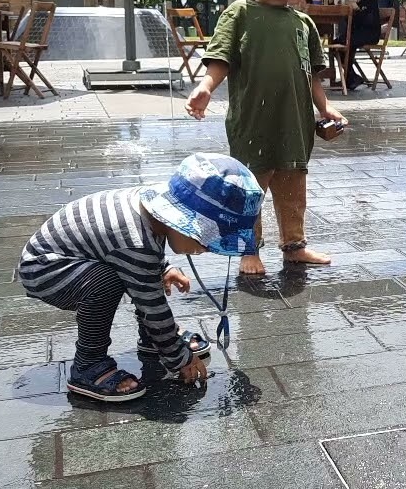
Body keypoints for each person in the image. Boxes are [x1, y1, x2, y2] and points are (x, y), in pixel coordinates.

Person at [16, 153, 263, 402]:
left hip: (77, 257)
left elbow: (131, 254)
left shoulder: (149, 209)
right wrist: (180, 358)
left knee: (139, 273)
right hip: (45, 269)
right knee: (107, 282)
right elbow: (151, 303)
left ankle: (153, 340)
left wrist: (162, 267)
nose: (206, 248)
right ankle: (87, 366)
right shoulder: (135, 241)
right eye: (204, 237)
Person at [185, 0, 347, 277]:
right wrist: (206, 87)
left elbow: (312, 78)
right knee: (250, 191)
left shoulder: (302, 24)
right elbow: (221, 60)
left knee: (293, 192)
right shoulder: (239, 14)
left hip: (295, 125)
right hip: (253, 124)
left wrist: (327, 108)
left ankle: (295, 247)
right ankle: (248, 250)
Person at [333, 0, 382, 90]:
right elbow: (342, 16)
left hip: (370, 33)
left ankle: (350, 78)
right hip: (354, 32)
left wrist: (357, 10)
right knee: (335, 44)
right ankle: (351, 77)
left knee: (347, 42)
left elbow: (370, 21)